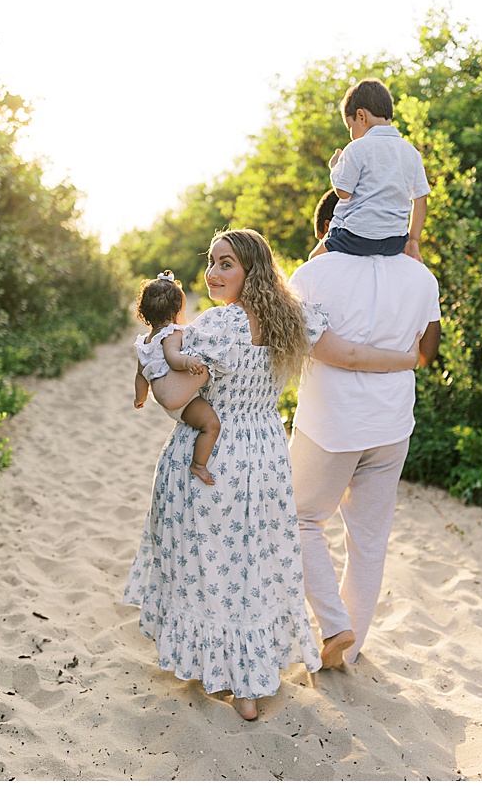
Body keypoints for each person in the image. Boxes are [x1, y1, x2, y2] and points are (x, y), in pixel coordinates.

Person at [123, 229, 421, 720]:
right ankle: (249, 687)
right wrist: (407, 359)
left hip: (216, 457)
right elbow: (347, 355)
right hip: (265, 456)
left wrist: (157, 362)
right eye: (213, 263)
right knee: (253, 569)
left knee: (213, 566)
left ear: (250, 271)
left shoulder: (218, 326)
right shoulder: (294, 319)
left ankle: (222, 671)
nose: (213, 273)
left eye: (226, 264)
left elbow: (174, 398)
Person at [288, 197, 443, 671]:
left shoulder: (312, 274)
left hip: (330, 425)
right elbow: (428, 353)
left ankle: (335, 626)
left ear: (328, 228)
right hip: (392, 423)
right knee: (368, 542)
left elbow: (299, 347)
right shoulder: (420, 275)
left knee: (300, 520)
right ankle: (348, 652)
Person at [311, 78, 429, 260]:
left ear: (361, 116)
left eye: (350, 127)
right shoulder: (411, 152)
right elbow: (420, 199)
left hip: (357, 237)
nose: (351, 134)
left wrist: (335, 168)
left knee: (314, 259)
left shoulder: (357, 148)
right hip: (395, 241)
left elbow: (343, 192)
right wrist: (412, 241)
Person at [130, 270, 221, 486]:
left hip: (168, 403)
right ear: (176, 313)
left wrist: (139, 398)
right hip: (184, 400)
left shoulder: (145, 342)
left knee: (203, 424)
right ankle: (198, 464)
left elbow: (140, 375)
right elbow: (172, 358)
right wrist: (187, 362)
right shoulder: (170, 334)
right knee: (211, 425)